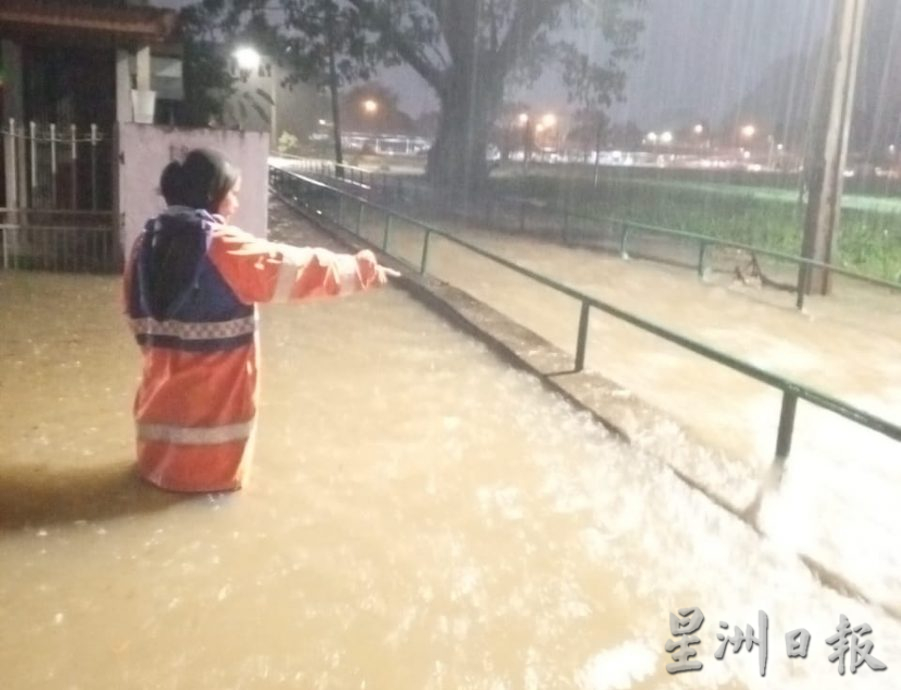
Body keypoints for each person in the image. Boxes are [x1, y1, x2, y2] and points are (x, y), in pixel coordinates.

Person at [124, 148, 397, 493]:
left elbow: (134, 319)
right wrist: (362, 269)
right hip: (210, 467)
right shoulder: (224, 248)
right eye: (233, 194)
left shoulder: (142, 247)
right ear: (214, 196)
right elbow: (299, 269)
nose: (236, 205)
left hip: (154, 453)